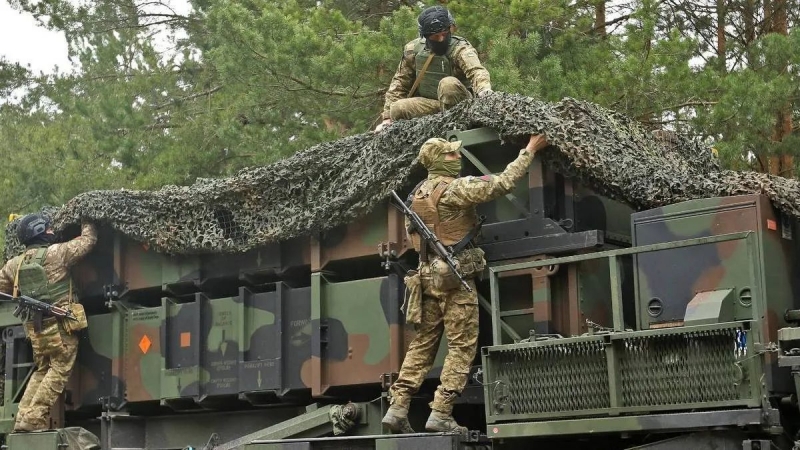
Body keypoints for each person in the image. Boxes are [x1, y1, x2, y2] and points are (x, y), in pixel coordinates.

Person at [382, 134, 549, 434]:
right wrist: (529, 150)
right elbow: (502, 183)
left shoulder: (416, 194)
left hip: (426, 278)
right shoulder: (455, 189)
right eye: (450, 155)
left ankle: (397, 407)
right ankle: (441, 412)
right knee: (461, 347)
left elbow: (414, 238)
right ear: (437, 161)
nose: (457, 157)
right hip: (454, 280)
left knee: (421, 346)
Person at [0, 214, 97, 432]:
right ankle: (34, 418)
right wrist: (87, 218)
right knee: (59, 369)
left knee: (42, 370)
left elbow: (2, 288)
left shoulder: (15, 264)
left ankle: (23, 417)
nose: (52, 231)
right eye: (48, 228)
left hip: (36, 328)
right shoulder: (57, 253)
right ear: (40, 231)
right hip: (61, 325)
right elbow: (87, 241)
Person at [374, 5, 492, 132]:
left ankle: (454, 129)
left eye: (444, 34)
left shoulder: (460, 49)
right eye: (435, 37)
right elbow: (399, 83)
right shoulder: (413, 51)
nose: (441, 39)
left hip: (462, 106)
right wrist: (387, 118)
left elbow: (476, 71)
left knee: (448, 84)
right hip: (431, 105)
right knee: (397, 108)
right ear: (425, 36)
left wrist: (485, 91)